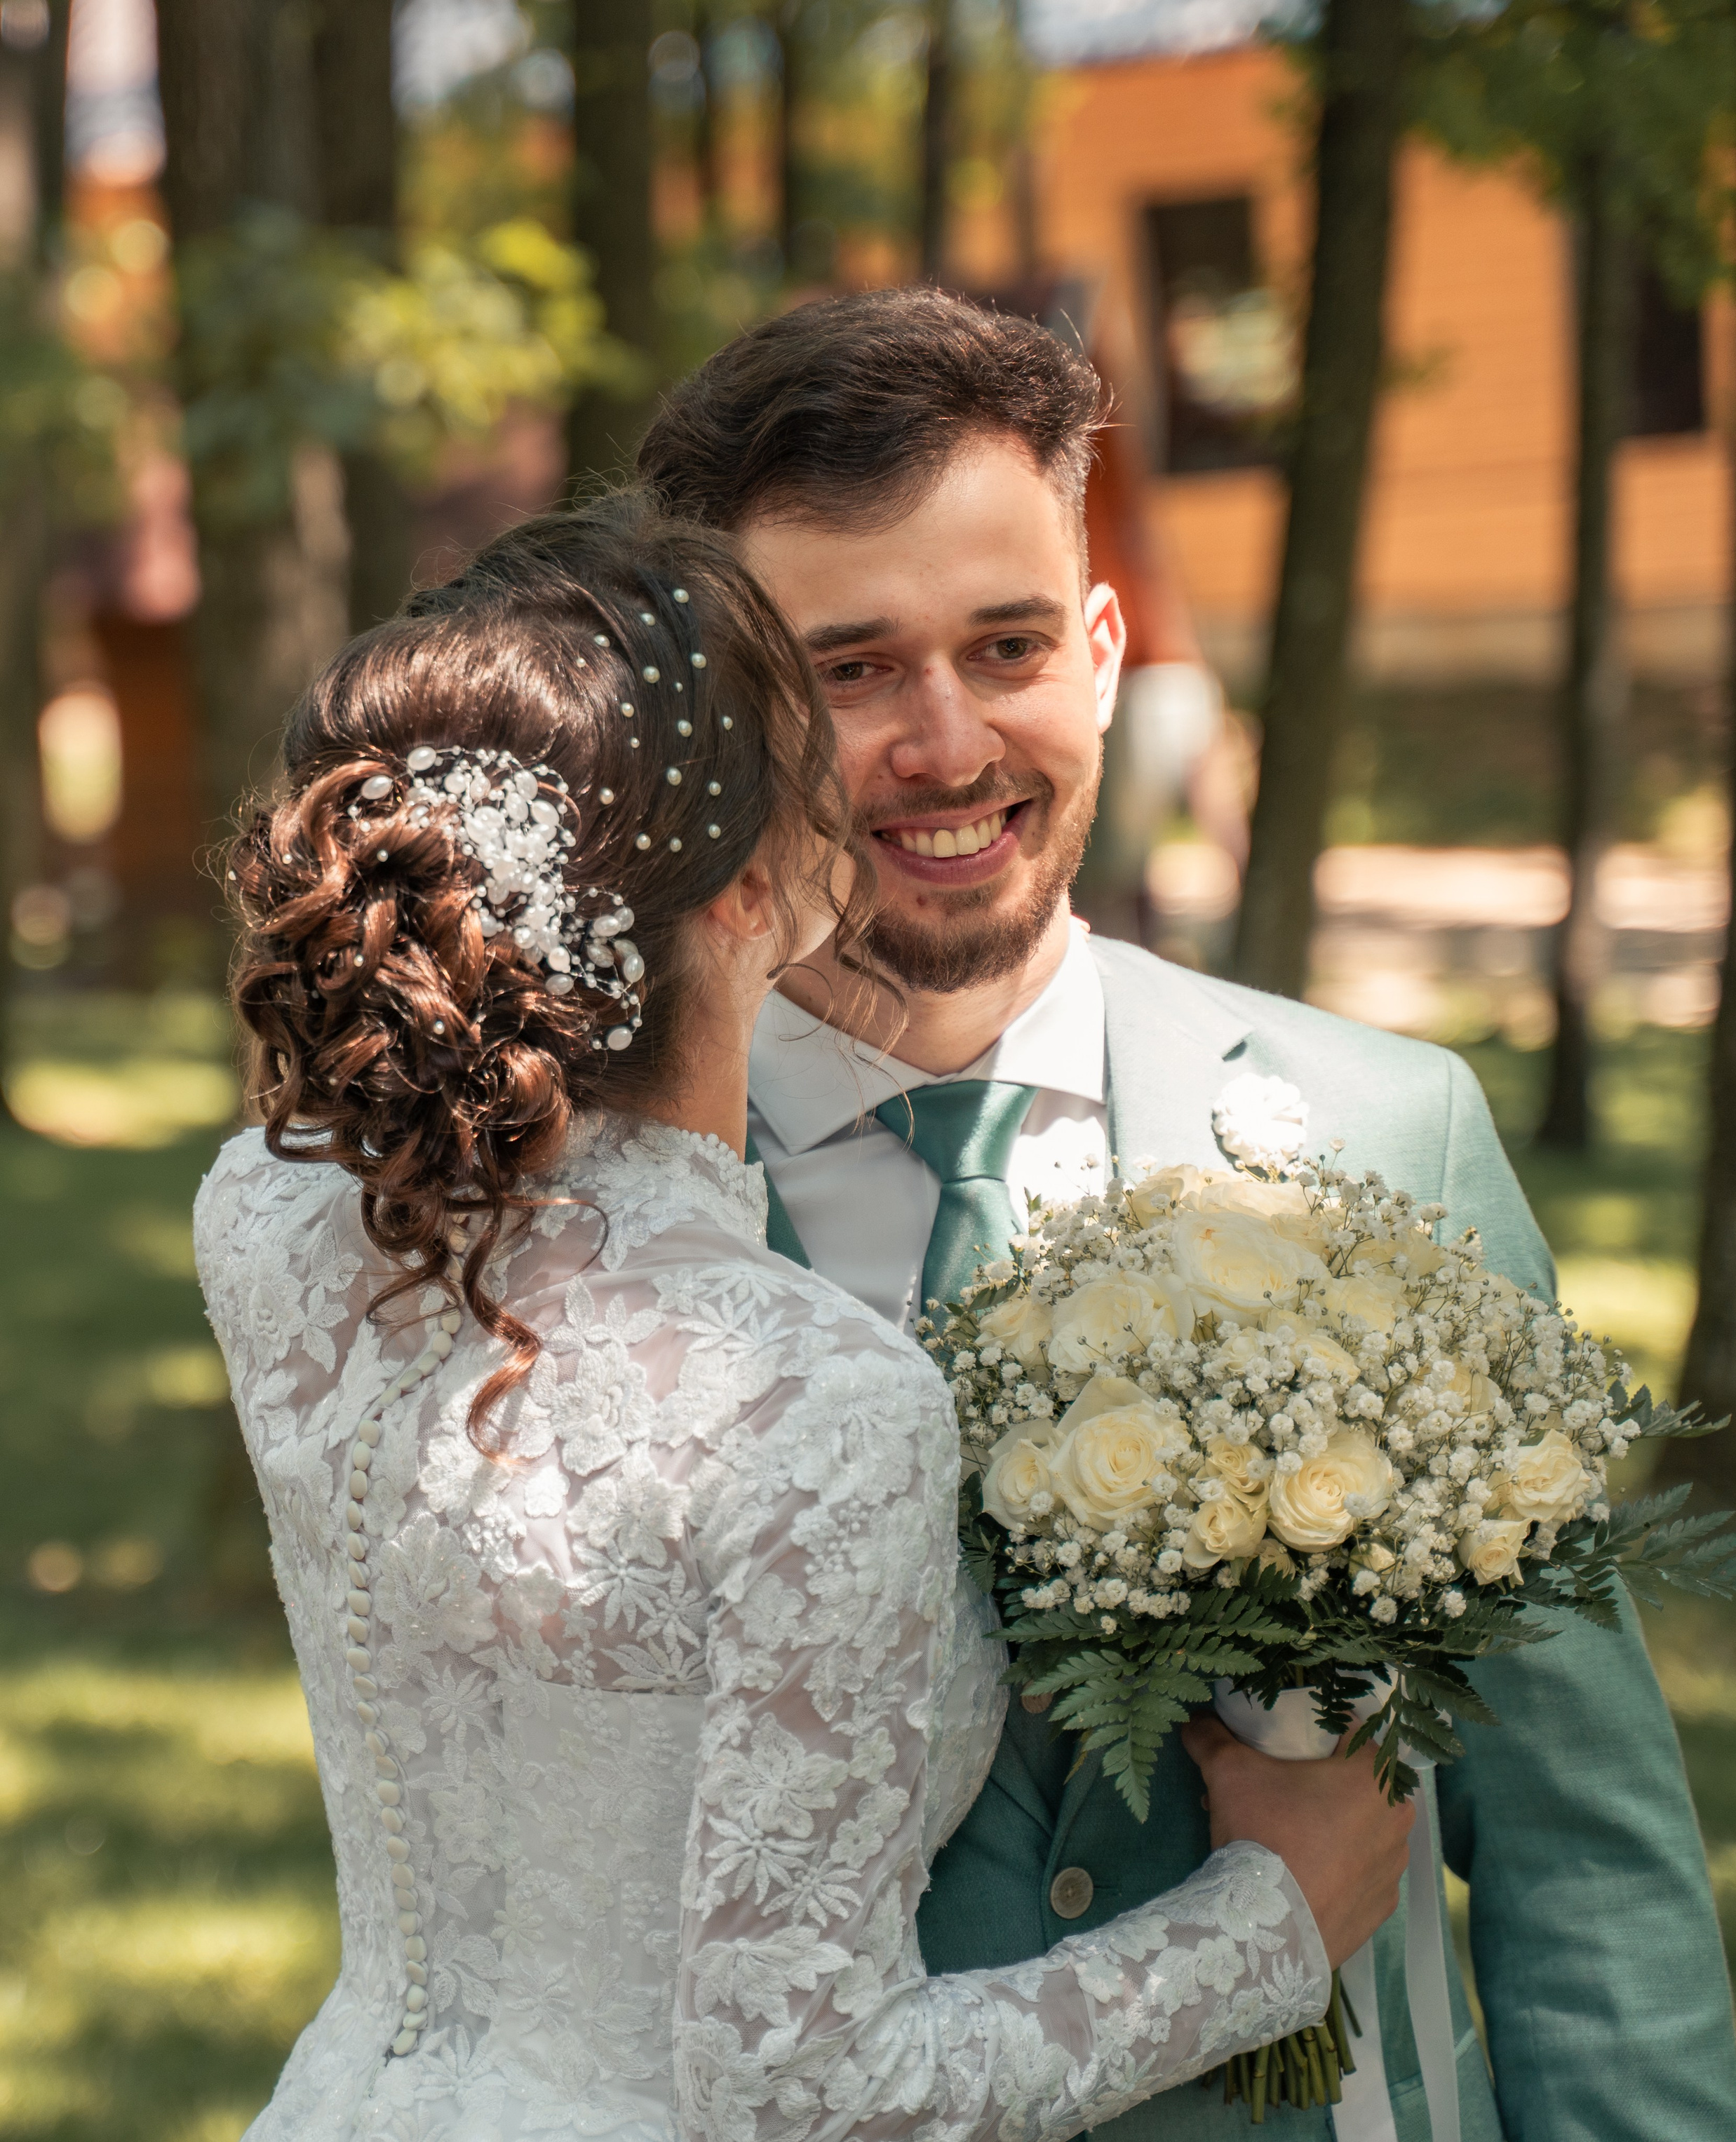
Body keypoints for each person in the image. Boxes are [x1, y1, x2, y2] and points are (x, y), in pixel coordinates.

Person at [632, 289, 1736, 2142]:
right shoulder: (612, 1221)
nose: (943, 739)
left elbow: (1585, 1860)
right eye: (850, 670)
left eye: (1003, 646)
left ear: (1103, 647)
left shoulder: (1394, 1134)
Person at [194, 494, 1413, 2142]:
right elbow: (810, 2093)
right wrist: (1273, 1920)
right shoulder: (809, 1397)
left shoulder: (270, 1218)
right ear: (750, 895)